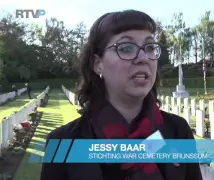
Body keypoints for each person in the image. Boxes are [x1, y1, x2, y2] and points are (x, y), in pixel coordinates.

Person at [40, 10, 203, 180]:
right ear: (97, 64)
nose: (143, 58)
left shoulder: (177, 131)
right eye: (126, 48)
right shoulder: (62, 143)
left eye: (149, 48)